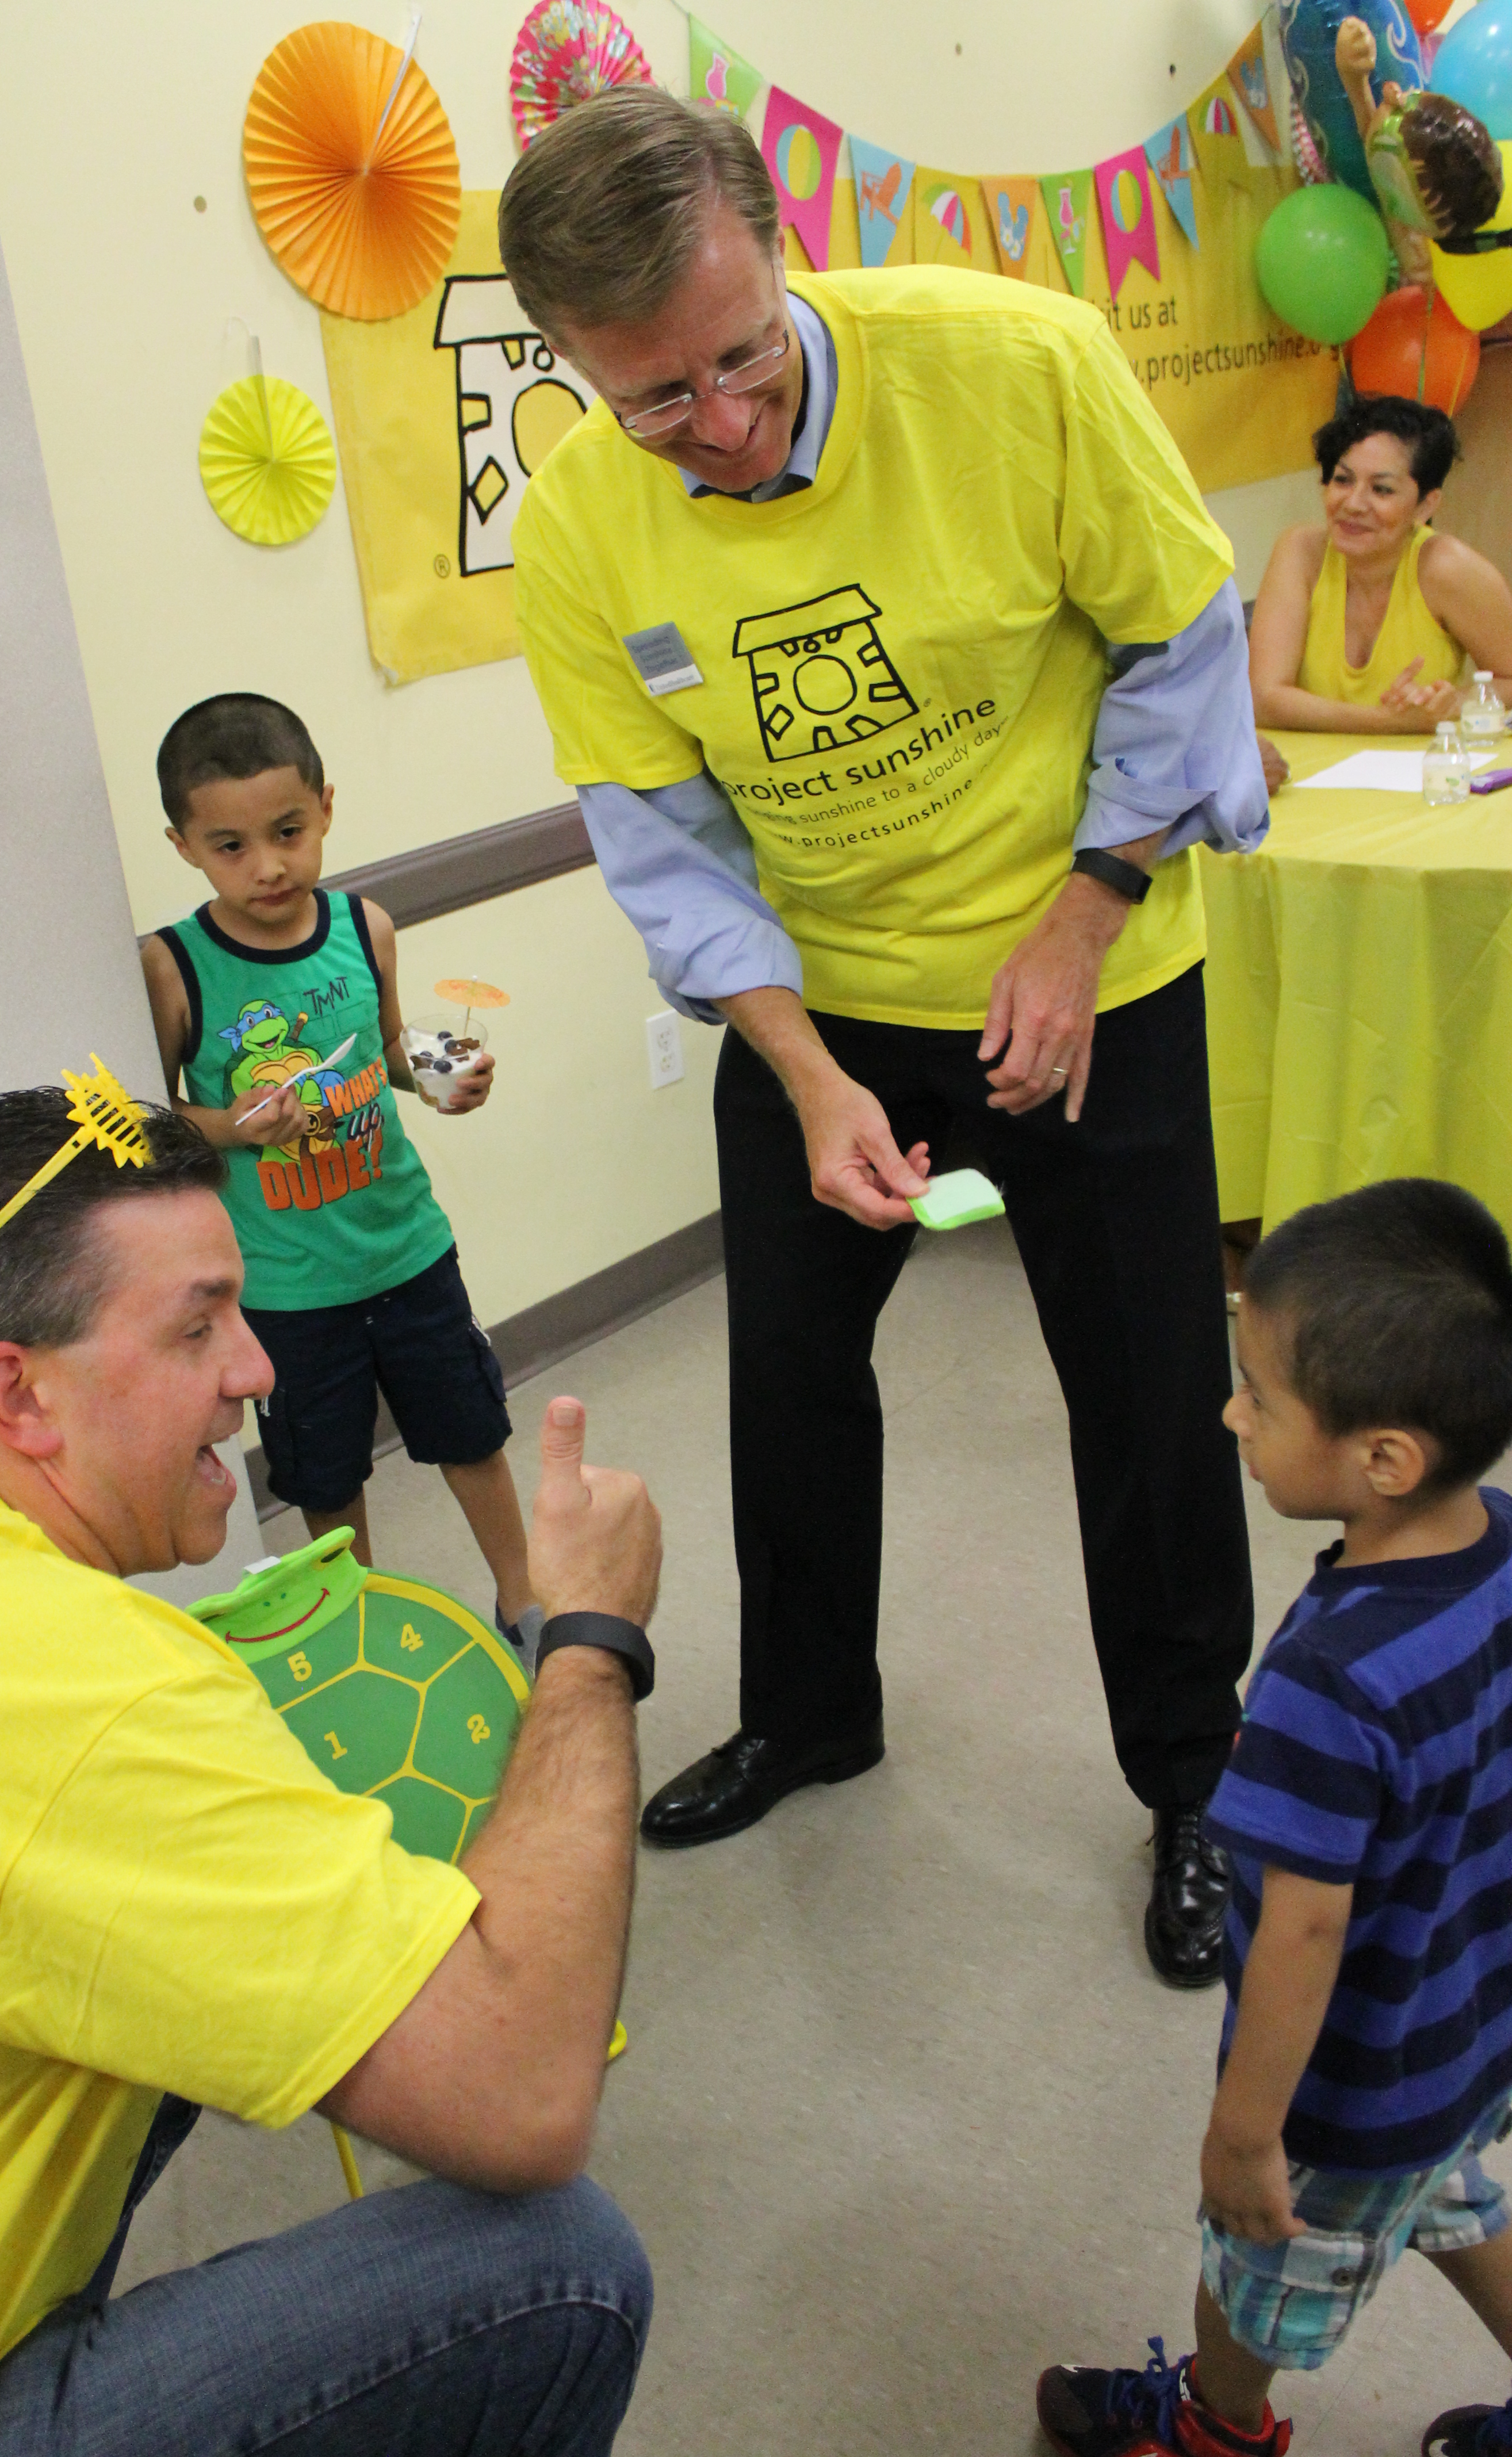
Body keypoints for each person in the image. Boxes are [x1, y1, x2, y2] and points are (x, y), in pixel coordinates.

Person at [501, 87, 1267, 1986]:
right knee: (784, 1381)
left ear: (783, 258)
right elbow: (662, 842)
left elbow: (1178, 646)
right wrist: (808, 1072)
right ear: (579, 373)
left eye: (741, 358)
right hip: (821, 997)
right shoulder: (588, 524)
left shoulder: (1012, 365)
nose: (725, 427)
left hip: (1089, 965)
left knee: (1147, 1397)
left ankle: (1194, 1780)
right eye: (656, 399)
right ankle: (808, 1710)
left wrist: (1083, 919)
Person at [0, 1082, 660, 2457]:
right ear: (18, 1392)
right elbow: (519, 2091)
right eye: (197, 1326)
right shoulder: (86, 1687)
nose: (255, 1371)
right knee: (561, 2261)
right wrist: (585, 1639)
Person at [1038, 1180, 1512, 2457]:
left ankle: (1211, 2425)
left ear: (1381, 1460)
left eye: (1258, 1393)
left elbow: (1297, 1939)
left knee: (1256, 2270)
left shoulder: (1325, 1686)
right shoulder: (1503, 1546)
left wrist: (1244, 2139)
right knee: (1452, 2197)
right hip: (1466, 2028)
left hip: (1349, 2093)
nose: (1228, 1411)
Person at [142, 694, 544, 1662]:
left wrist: (439, 1079)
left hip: (407, 1246)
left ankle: (526, 1600)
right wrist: (233, 1126)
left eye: (287, 832)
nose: (268, 865)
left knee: (471, 1433)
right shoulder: (173, 969)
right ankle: (353, 1629)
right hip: (282, 1283)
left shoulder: (364, 925)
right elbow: (158, 1125)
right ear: (184, 844)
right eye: (230, 845)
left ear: (325, 806)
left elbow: (392, 1052)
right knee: (326, 1476)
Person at [1249, 394, 1512, 736]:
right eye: (1342, 480)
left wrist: (1452, 703)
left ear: (1424, 506)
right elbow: (1264, 698)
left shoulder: (1448, 568)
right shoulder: (1299, 552)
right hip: (1307, 777)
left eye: (1382, 490)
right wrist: (1389, 721)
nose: (1354, 504)